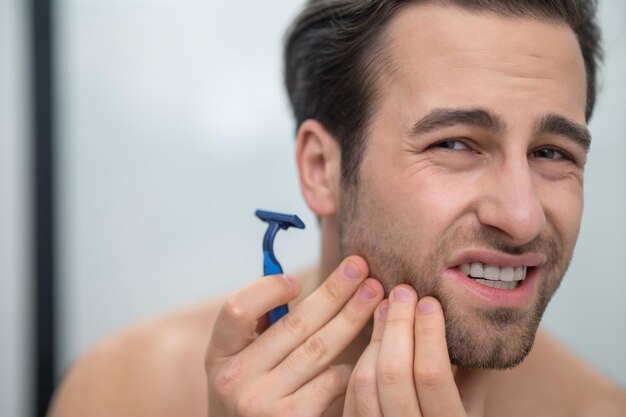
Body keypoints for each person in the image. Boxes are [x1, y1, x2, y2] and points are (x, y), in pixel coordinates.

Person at [49, 0, 626, 416]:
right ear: (321, 169)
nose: (522, 217)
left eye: (552, 153)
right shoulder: (127, 390)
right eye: (454, 143)